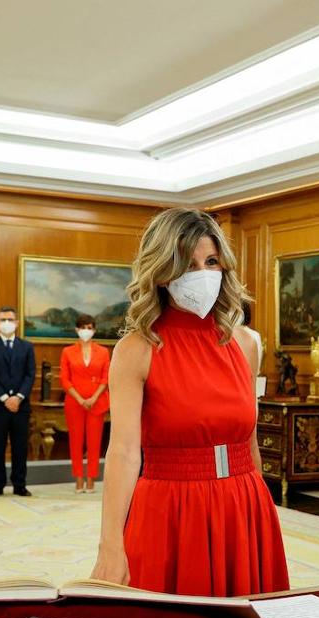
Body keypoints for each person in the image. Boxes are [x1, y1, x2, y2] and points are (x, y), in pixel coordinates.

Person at [90, 208, 288, 597]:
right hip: (170, 508)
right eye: (187, 264)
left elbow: (248, 441)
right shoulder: (137, 349)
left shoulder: (246, 344)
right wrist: (110, 543)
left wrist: (262, 516)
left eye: (210, 261)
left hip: (243, 502)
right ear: (162, 272)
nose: (202, 273)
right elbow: (125, 453)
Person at [0, 307, 35, 497]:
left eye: (10, 319)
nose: (7, 323)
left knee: (20, 446)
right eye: (3, 319)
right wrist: (5, 398)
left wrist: (18, 397)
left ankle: (20, 484)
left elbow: (30, 374)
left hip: (21, 405)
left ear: (17, 323)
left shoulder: (27, 347)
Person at [60, 314, 110, 493]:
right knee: (75, 441)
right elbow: (65, 380)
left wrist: (93, 398)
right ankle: (78, 478)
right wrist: (80, 399)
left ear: (94, 330)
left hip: (96, 403)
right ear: (76, 330)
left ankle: (91, 479)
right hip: (75, 403)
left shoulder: (103, 352)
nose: (86, 331)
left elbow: (105, 378)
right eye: (83, 328)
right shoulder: (67, 352)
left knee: (94, 442)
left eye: (89, 328)